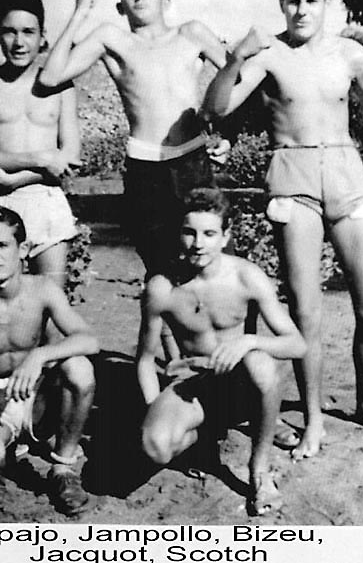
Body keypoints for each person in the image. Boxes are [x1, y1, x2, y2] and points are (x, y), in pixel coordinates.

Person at [205, 0, 363, 460]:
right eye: (293, 1)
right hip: (292, 179)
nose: (301, 10)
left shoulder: (350, 53)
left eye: (311, 1)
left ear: (325, 3)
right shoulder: (268, 55)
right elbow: (218, 107)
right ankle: (314, 420)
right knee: (305, 311)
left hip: (347, 178)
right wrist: (236, 57)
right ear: (282, 3)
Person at [39, 0, 231, 279]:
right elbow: (50, 77)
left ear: (165, 0)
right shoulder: (112, 39)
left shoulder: (191, 33)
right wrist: (78, 16)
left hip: (193, 162)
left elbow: (241, 80)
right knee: (161, 269)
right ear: (120, 5)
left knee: (215, 266)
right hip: (146, 169)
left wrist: (227, 135)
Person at [136, 188, 306, 515]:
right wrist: (153, 407)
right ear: (178, 233)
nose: (198, 243)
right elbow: (144, 360)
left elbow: (297, 344)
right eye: (189, 232)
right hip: (194, 384)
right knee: (154, 447)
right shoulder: (162, 288)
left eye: (209, 234)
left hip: (241, 384)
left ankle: (259, 471)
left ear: (226, 236)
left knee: (260, 363)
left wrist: (249, 341)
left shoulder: (246, 277)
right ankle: (204, 432)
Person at [0, 205, 99, 516]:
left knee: (79, 368)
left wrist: (39, 355)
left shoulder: (42, 289)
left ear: (22, 249)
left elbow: (89, 340)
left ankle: (63, 469)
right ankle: (2, 455)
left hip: (33, 392)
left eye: (2, 245)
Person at [0, 0, 80, 288]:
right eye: (9, 32)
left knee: (51, 297)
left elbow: (70, 157)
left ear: (42, 36)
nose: (19, 42)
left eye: (28, 32)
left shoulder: (61, 86)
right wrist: (40, 158)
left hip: (46, 200)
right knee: (0, 300)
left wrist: (14, 179)